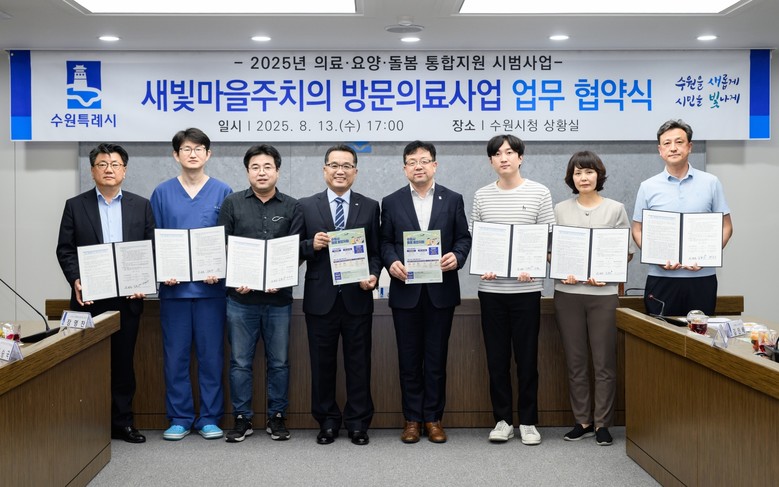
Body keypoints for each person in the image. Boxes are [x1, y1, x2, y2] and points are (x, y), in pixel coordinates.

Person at [56, 143, 155, 444]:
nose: (109, 169)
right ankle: (88, 426)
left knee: (123, 364)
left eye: (115, 164)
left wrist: (144, 282)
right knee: (87, 364)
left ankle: (122, 423)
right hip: (89, 299)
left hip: (128, 300)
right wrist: (75, 278)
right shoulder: (76, 205)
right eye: (102, 164)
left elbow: (150, 248)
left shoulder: (141, 205)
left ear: (124, 170)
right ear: (92, 171)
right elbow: (65, 249)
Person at [380, 141, 472, 444]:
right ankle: (412, 420)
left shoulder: (453, 199)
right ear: (404, 168)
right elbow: (384, 241)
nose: (418, 166)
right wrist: (391, 261)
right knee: (408, 360)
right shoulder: (391, 201)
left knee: (436, 359)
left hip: (440, 292)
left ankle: (433, 419)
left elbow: (463, 238)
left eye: (424, 160)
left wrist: (457, 256)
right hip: (405, 292)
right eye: (412, 161)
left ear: (434, 165)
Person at [471, 134, 554, 445]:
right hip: (491, 289)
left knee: (527, 359)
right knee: (497, 360)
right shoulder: (481, 195)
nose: (503, 158)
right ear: (491, 161)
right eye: (497, 154)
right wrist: (484, 263)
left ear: (520, 157)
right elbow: (476, 238)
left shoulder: (539, 192)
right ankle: (503, 420)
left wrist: (533, 263)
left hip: (527, 289)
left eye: (509, 152)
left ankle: (528, 421)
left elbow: (548, 238)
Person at [150, 128, 232, 441]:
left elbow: (229, 240)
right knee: (176, 357)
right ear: (176, 155)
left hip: (212, 290)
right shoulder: (162, 193)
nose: (193, 154)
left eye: (199, 149)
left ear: (209, 154)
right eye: (186, 149)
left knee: (211, 357)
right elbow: (154, 239)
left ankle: (210, 417)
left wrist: (219, 268)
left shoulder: (223, 191)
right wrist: (163, 270)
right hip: (175, 291)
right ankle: (180, 417)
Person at [217, 144, 302, 443]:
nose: (261, 172)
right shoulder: (232, 204)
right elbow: (223, 247)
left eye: (267, 167)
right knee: (240, 362)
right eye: (255, 167)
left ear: (277, 171)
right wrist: (236, 278)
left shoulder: (292, 207)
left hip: (278, 300)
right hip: (241, 300)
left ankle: (277, 417)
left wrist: (282, 277)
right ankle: (242, 418)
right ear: (247, 172)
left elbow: (296, 250)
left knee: (279, 362)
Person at [297, 144, 381, 446]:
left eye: (346, 166)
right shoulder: (306, 205)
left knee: (359, 364)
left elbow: (376, 252)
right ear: (324, 170)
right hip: (320, 299)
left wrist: (373, 275)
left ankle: (358, 423)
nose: (340, 171)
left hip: (357, 297)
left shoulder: (370, 206)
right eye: (334, 165)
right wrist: (311, 245)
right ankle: (327, 421)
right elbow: (291, 250)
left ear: (355, 171)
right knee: (322, 365)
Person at [553, 151, 637, 447]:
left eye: (589, 172)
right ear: (571, 178)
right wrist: (562, 269)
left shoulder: (615, 209)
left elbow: (626, 252)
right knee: (575, 361)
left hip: (603, 295)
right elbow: (551, 251)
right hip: (568, 294)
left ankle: (602, 423)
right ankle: (583, 421)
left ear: (598, 175)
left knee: (604, 362)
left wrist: (608, 273)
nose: (583, 177)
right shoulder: (560, 209)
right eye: (577, 173)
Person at [632, 119, 733, 316]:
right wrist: (655, 256)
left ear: (689, 146)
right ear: (660, 150)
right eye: (667, 143)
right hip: (661, 278)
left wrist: (707, 256)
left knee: (699, 331)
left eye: (679, 142)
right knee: (659, 332)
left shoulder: (711, 182)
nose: (673, 148)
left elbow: (726, 227)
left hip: (702, 278)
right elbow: (637, 230)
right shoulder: (648, 186)